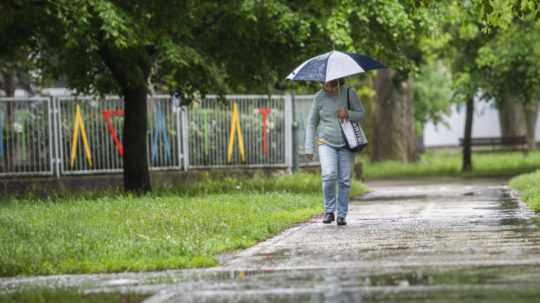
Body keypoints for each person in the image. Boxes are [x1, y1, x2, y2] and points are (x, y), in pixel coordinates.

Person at [305, 78, 365, 226]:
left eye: (331, 85)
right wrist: (309, 147)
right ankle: (329, 211)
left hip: (347, 142)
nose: (328, 88)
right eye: (325, 85)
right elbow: (311, 123)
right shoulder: (318, 97)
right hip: (325, 141)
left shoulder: (349, 94)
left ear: (339, 81)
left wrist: (348, 114)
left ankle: (342, 215)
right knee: (329, 175)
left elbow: (361, 113)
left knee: (344, 180)